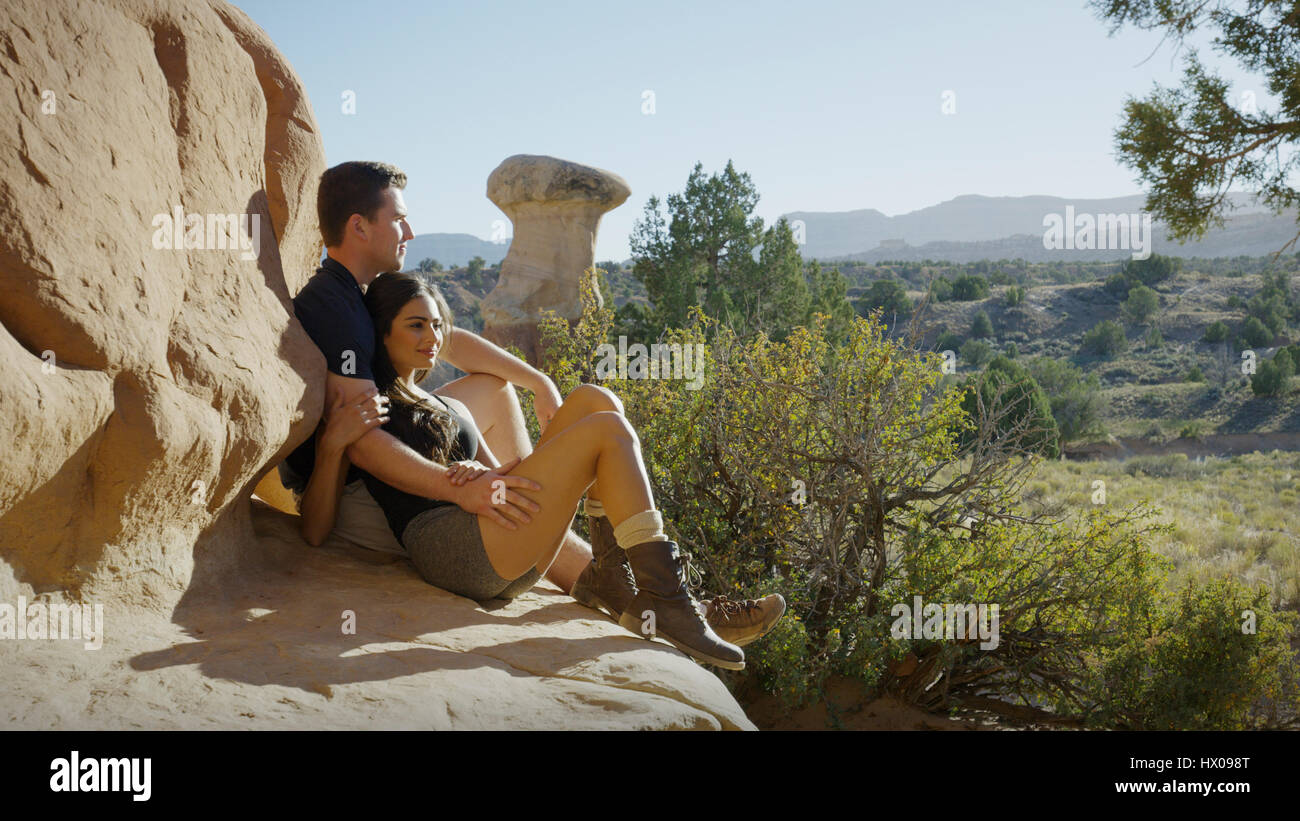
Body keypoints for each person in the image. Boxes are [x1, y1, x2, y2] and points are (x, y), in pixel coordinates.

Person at [276, 161, 785, 661]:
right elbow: (362, 438)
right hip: (371, 493)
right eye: (398, 219)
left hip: (424, 467)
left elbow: (449, 342)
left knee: (593, 400)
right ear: (359, 226)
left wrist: (537, 382)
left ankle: (616, 575)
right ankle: (668, 600)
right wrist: (467, 488)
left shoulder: (366, 293)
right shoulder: (336, 305)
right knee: (603, 430)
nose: (409, 229)